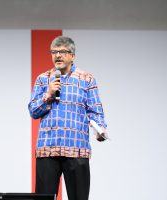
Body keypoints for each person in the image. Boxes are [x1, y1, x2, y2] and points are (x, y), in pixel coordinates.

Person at [28, 36, 107, 200]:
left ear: (72, 55)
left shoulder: (87, 79)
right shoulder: (43, 79)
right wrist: (48, 94)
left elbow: (95, 110)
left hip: (76, 148)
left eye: (62, 51)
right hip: (48, 149)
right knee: (43, 198)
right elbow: (33, 111)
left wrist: (100, 129)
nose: (57, 55)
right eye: (54, 52)